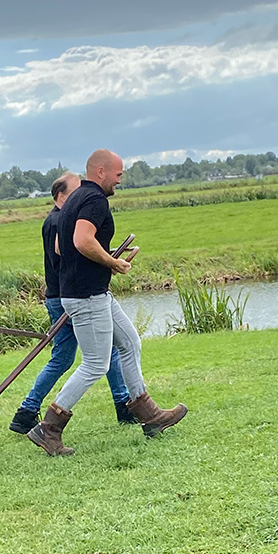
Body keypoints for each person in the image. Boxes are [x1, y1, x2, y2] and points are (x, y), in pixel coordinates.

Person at [27, 149, 187, 456]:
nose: (120, 180)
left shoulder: (76, 198)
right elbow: (82, 241)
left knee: (130, 343)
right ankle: (49, 428)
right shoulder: (94, 200)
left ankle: (149, 415)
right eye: (118, 174)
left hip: (90, 291)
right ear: (100, 171)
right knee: (95, 364)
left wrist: (108, 257)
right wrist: (111, 263)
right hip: (86, 295)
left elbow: (70, 247)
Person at [9, 172, 140, 434]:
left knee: (76, 356)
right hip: (68, 295)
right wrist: (105, 260)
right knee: (88, 358)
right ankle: (32, 413)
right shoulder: (60, 219)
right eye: (74, 191)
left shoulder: (57, 217)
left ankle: (27, 412)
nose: (79, 196)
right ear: (61, 196)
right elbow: (65, 249)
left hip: (61, 294)